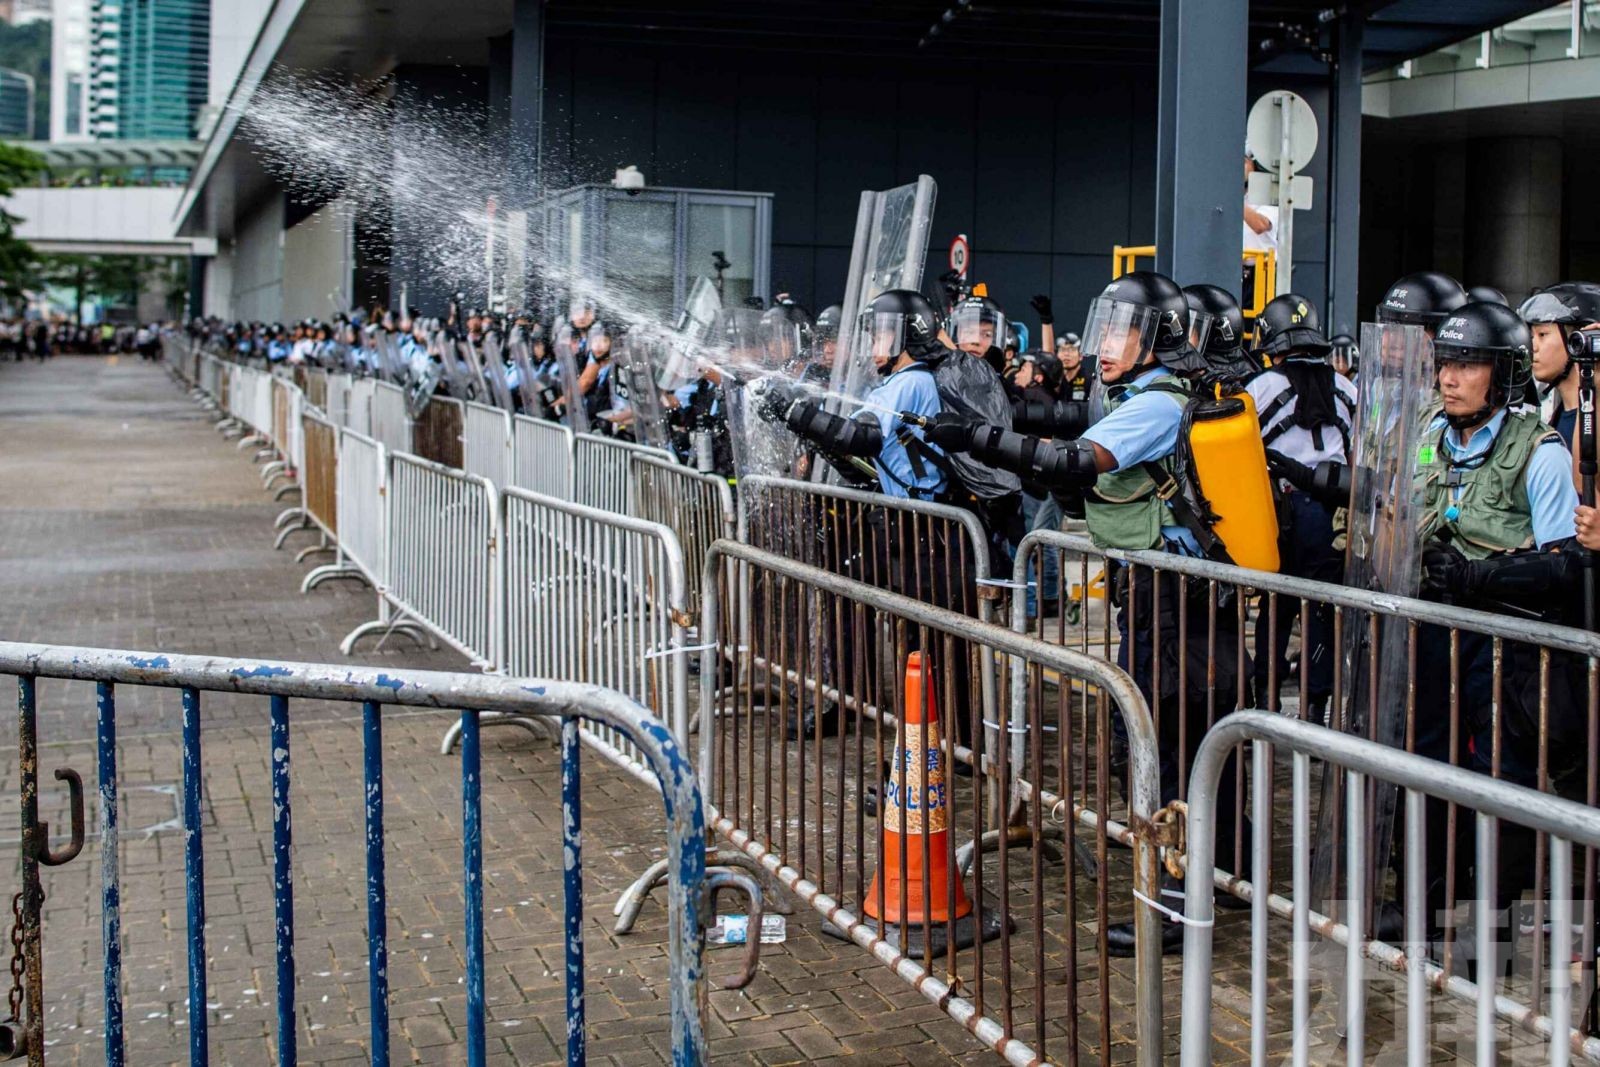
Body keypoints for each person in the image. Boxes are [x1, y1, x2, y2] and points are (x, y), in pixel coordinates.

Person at [925, 271, 1251, 954]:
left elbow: (1081, 456)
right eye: (1104, 327)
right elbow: (1073, 459)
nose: (1105, 344)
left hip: (1177, 600)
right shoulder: (1144, 395)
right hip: (1169, 593)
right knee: (1173, 737)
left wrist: (981, 438)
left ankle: (1179, 902)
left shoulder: (1159, 403)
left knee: (1168, 742)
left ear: (1157, 336)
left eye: (1122, 330)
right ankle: (1206, 880)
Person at [1399, 300, 1584, 944]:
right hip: (1429, 635)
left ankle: (1488, 932)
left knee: (1496, 784)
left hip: (1502, 649)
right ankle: (1429, 911)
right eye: (1445, 362)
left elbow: (1565, 566)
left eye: (1468, 364)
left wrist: (1485, 577)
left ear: (1501, 373)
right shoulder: (1425, 432)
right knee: (1425, 764)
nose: (1450, 378)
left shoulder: (1541, 452)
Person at [1246, 294, 1356, 721]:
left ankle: (1266, 703)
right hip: (1333, 514)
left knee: (1276, 609)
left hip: (1280, 510)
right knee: (1322, 611)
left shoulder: (1263, 386)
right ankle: (1315, 708)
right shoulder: (1346, 386)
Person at [1519, 281, 1600, 450]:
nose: (1533, 347)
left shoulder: (1593, 417)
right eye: (1531, 336)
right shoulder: (1559, 414)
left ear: (1578, 340)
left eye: (1542, 334)